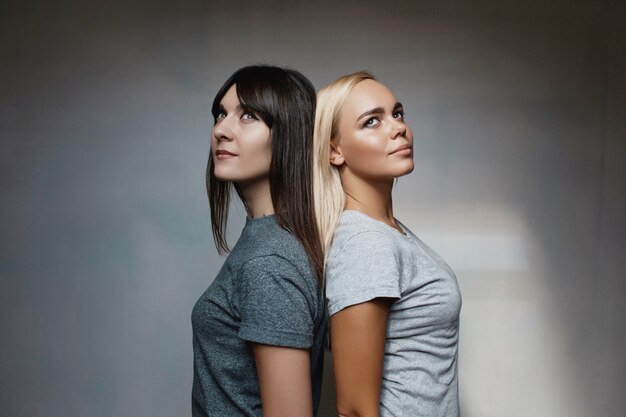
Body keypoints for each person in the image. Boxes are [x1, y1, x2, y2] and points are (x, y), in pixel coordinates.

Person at [314, 71, 462, 417]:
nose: (397, 127)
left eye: (397, 113)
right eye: (371, 122)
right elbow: (354, 409)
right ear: (334, 150)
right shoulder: (366, 243)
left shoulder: (388, 232)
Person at [192, 65, 326, 417]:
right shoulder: (268, 240)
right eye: (221, 114)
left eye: (247, 115)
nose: (221, 129)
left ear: (288, 134)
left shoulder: (269, 262)